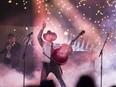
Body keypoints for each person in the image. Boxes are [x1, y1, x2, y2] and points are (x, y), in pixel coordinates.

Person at [37, 22, 67, 87]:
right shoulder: (43, 43)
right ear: (46, 37)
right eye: (48, 35)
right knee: (42, 82)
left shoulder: (56, 45)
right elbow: (39, 37)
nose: (49, 36)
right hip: (46, 65)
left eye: (50, 35)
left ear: (53, 37)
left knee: (60, 80)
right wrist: (42, 29)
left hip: (54, 65)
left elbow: (63, 53)